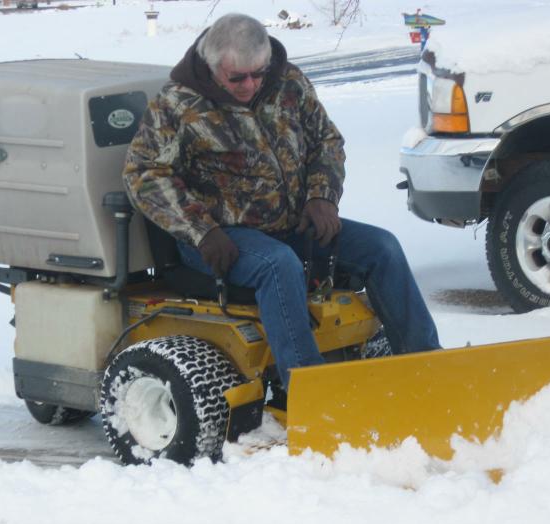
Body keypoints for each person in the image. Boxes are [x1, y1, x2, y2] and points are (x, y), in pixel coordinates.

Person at [123, 13, 440, 389]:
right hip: (218, 239)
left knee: (382, 247)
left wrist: (321, 195)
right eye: (237, 77)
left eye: (257, 73)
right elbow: (143, 173)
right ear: (211, 68)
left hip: (290, 224)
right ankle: (309, 388)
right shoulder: (177, 105)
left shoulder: (288, 82)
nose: (250, 84)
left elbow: (326, 141)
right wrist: (201, 230)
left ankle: (426, 366)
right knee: (278, 265)